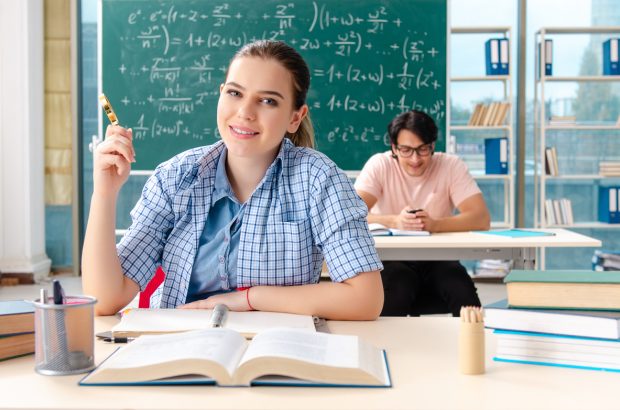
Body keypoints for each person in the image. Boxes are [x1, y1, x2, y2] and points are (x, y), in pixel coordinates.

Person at [82, 40, 384, 319]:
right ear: (221, 93)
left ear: (295, 117)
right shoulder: (175, 177)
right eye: (235, 93)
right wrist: (105, 194)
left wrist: (249, 299)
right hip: (176, 346)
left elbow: (365, 299)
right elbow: (104, 298)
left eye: (268, 101)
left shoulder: (319, 178)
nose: (245, 112)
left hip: (274, 351)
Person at [354, 110, 490, 316]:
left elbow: (481, 218)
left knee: (460, 288)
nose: (415, 159)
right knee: (398, 285)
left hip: (439, 257)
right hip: (393, 259)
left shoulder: (451, 165)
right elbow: (351, 213)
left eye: (422, 149)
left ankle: (476, 345)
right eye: (406, 150)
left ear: (433, 146)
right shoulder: (380, 165)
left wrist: (435, 225)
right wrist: (394, 221)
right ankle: (385, 348)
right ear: (394, 148)